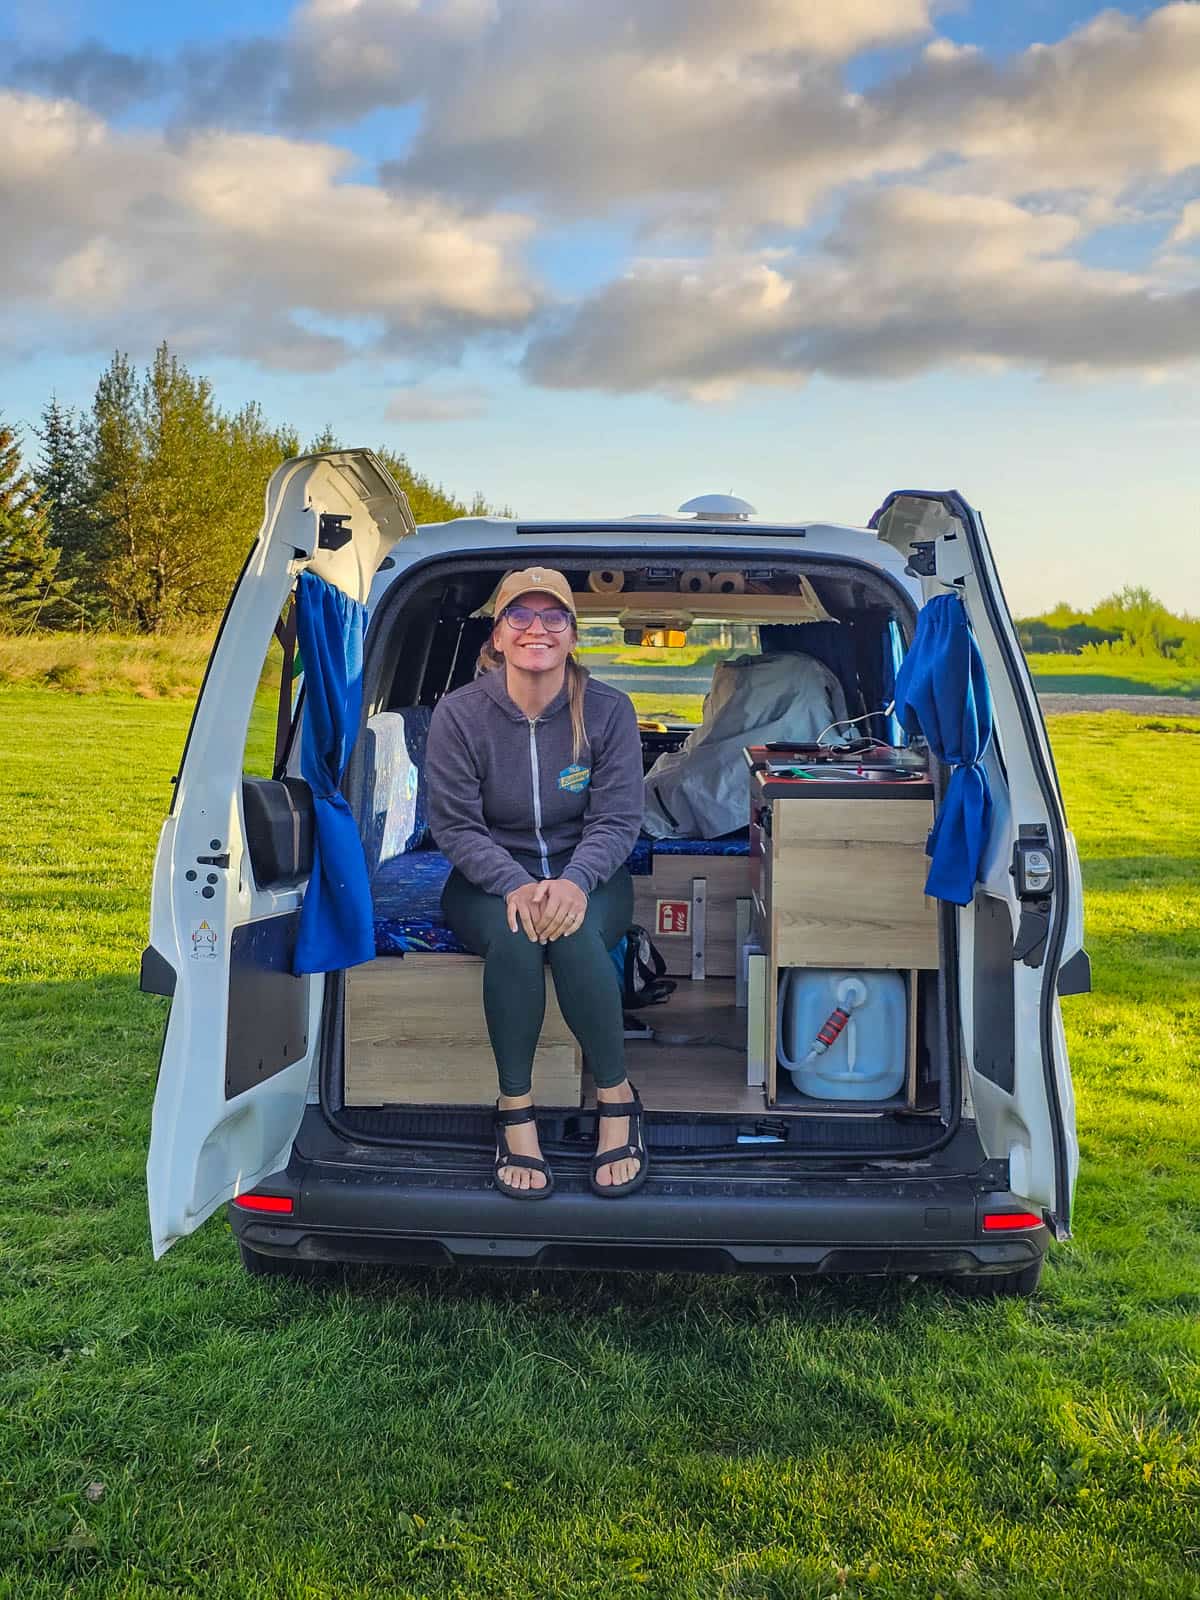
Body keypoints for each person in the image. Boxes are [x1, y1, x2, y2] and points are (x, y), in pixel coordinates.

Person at [425, 567, 647, 1202]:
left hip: (592, 876)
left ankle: (617, 1100)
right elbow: (455, 827)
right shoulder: (459, 716)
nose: (536, 629)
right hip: (486, 879)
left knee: (576, 940)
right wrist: (516, 884)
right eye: (519, 616)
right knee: (519, 938)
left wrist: (574, 881)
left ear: (573, 636)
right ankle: (515, 1114)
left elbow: (617, 818)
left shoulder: (608, 710)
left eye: (554, 617)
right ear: (497, 636)